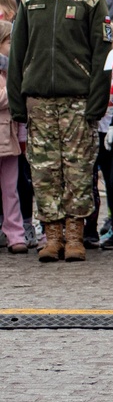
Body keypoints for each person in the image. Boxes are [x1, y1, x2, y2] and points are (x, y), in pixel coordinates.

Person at [8, 0, 111, 263]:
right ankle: (51, 235)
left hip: (78, 101)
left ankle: (75, 234)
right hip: (38, 101)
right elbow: (18, 53)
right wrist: (17, 102)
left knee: (79, 170)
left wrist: (97, 102)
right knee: (44, 170)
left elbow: (101, 56)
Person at [0, 21, 26, 253]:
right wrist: (14, 88)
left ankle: (15, 233)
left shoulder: (11, 70)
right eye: (9, 42)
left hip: (9, 139)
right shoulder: (8, 76)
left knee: (10, 189)